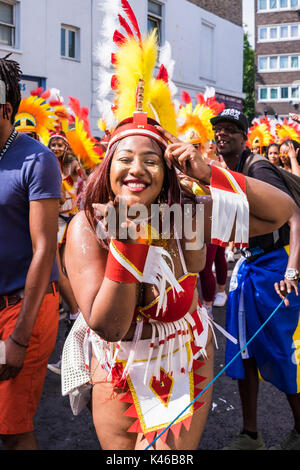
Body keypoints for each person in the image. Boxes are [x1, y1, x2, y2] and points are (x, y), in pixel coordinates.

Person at [210, 108, 300, 450]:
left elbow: (295, 219)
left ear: (244, 136)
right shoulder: (224, 171)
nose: (223, 134)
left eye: (231, 129)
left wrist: (291, 271)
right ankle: (251, 434)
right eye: (218, 129)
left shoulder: (257, 168)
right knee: (241, 352)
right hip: (247, 270)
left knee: (280, 352)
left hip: (275, 271)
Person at [0, 55, 61, 450]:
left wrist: (20, 337)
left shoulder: (37, 159)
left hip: (24, 309)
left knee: (12, 430)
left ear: (5, 110)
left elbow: (44, 249)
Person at [47, 132, 82, 374]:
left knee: (58, 270)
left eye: (60, 144)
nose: (57, 147)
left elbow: (68, 193)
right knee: (59, 269)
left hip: (68, 220)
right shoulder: (47, 161)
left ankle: (74, 311)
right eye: (53, 144)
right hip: (58, 220)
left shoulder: (73, 165)